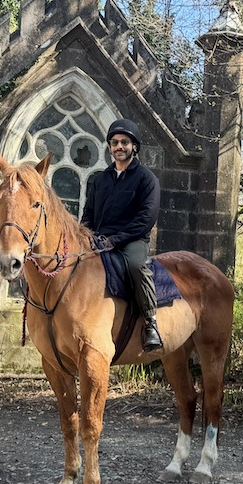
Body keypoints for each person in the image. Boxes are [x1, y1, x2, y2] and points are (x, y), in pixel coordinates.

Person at [81, 118, 164, 352]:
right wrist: (84, 235)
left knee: (137, 266)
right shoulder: (100, 180)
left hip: (131, 241)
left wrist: (114, 240)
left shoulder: (147, 179)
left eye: (125, 142)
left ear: (134, 147)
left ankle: (151, 323)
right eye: (115, 142)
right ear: (109, 147)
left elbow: (146, 220)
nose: (119, 146)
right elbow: (88, 213)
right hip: (99, 240)